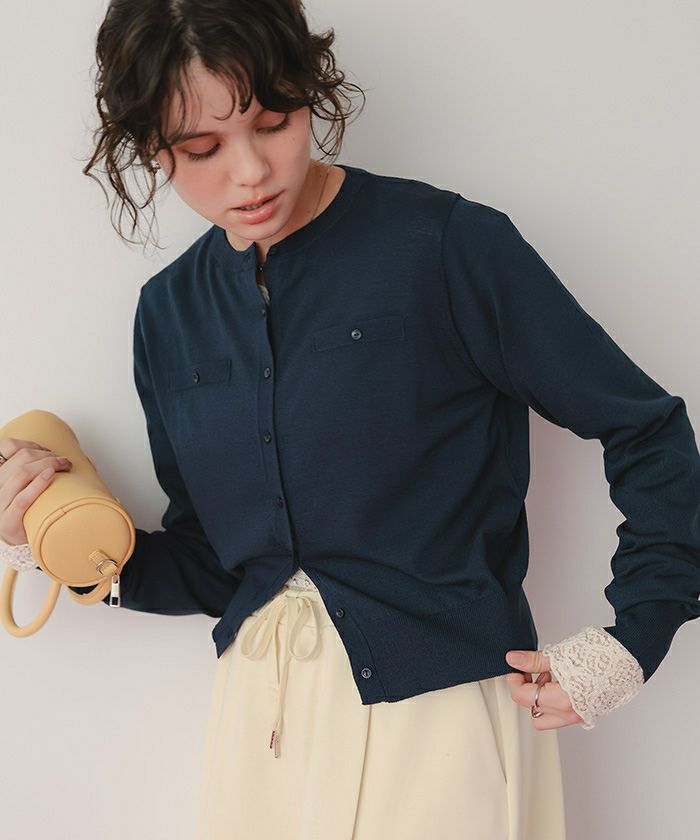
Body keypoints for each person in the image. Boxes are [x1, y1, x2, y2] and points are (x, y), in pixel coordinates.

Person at [2, 1, 700, 837]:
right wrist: (49, 541)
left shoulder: (446, 246)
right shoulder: (169, 313)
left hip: (439, 724)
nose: (250, 171)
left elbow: (646, 428)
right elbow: (215, 564)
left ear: (309, 93)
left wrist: (633, 638)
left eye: (274, 122)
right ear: (151, 145)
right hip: (258, 733)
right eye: (202, 147)